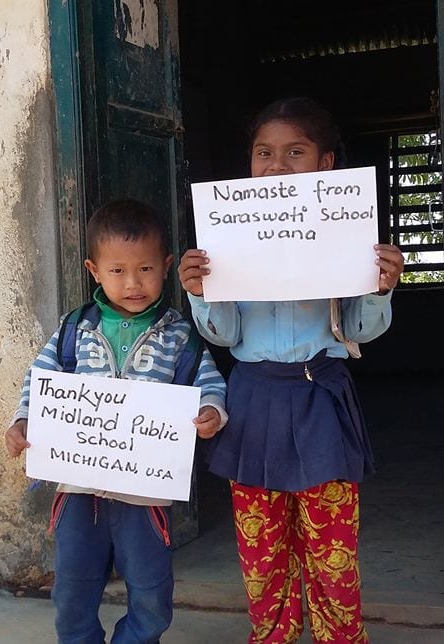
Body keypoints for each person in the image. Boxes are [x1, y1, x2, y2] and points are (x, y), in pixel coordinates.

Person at [178, 97, 404, 643]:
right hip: (253, 400)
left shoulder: (345, 232)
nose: (276, 166)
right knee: (262, 555)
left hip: (319, 396)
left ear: (326, 163)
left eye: (294, 152)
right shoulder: (228, 236)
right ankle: (272, 636)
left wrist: (381, 287)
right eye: (263, 153)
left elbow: (359, 329)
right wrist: (201, 293)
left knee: (331, 555)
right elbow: (226, 336)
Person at [5, 198, 227, 644]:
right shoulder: (73, 329)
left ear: (165, 266)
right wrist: (23, 419)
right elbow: (39, 379)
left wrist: (211, 413)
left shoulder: (180, 336)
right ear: (94, 270)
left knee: (150, 591)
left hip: (144, 495)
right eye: (117, 271)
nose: (132, 283)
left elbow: (210, 383)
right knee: (72, 588)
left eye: (145, 269)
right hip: (77, 493)